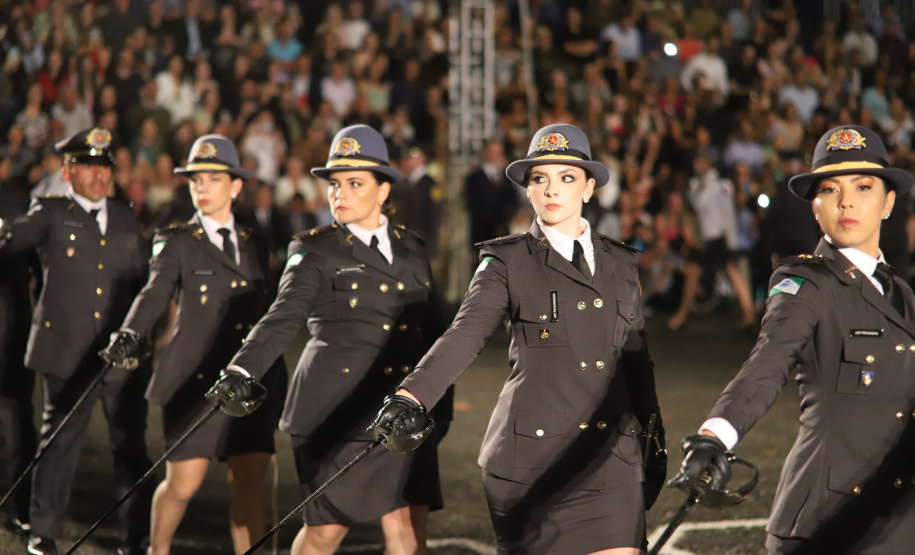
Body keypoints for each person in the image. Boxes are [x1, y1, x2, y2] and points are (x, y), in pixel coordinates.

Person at [373, 124, 666, 554]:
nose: (551, 189)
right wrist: (411, 396)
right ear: (527, 191)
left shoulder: (621, 262)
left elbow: (636, 357)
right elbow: (466, 332)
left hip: (611, 460)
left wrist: (654, 435)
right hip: (530, 460)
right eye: (539, 179)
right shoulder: (504, 261)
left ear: (588, 189)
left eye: (566, 178)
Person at [669, 126, 915, 554]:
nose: (847, 201)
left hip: (897, 520)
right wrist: (715, 436)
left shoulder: (902, 293)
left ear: (888, 202)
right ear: (814, 208)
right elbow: (767, 363)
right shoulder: (804, 283)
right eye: (829, 189)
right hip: (827, 522)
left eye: (863, 186)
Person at [208, 124, 450, 555]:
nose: (340, 194)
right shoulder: (313, 249)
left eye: (355, 183)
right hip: (336, 410)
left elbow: (432, 330)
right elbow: (282, 317)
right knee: (326, 530)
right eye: (335, 184)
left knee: (407, 523)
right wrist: (241, 369)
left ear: (383, 191)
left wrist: (437, 402)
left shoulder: (412, 248)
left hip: (401, 406)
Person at [103, 135, 284, 555]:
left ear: (235, 186)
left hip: (248, 382)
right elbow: (154, 292)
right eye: (195, 180)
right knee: (183, 485)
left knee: (248, 487)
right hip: (194, 381)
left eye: (213, 179)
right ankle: (158, 550)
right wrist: (132, 331)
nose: (202, 188)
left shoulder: (256, 243)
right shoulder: (177, 240)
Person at [0, 127, 152, 555]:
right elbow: (16, 236)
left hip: (119, 355)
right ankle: (43, 531)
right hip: (65, 348)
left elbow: (143, 281)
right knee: (60, 442)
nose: (99, 174)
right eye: (87, 165)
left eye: (104, 165)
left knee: (130, 444)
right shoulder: (50, 212)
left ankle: (135, 536)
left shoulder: (126, 216)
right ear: (68, 172)